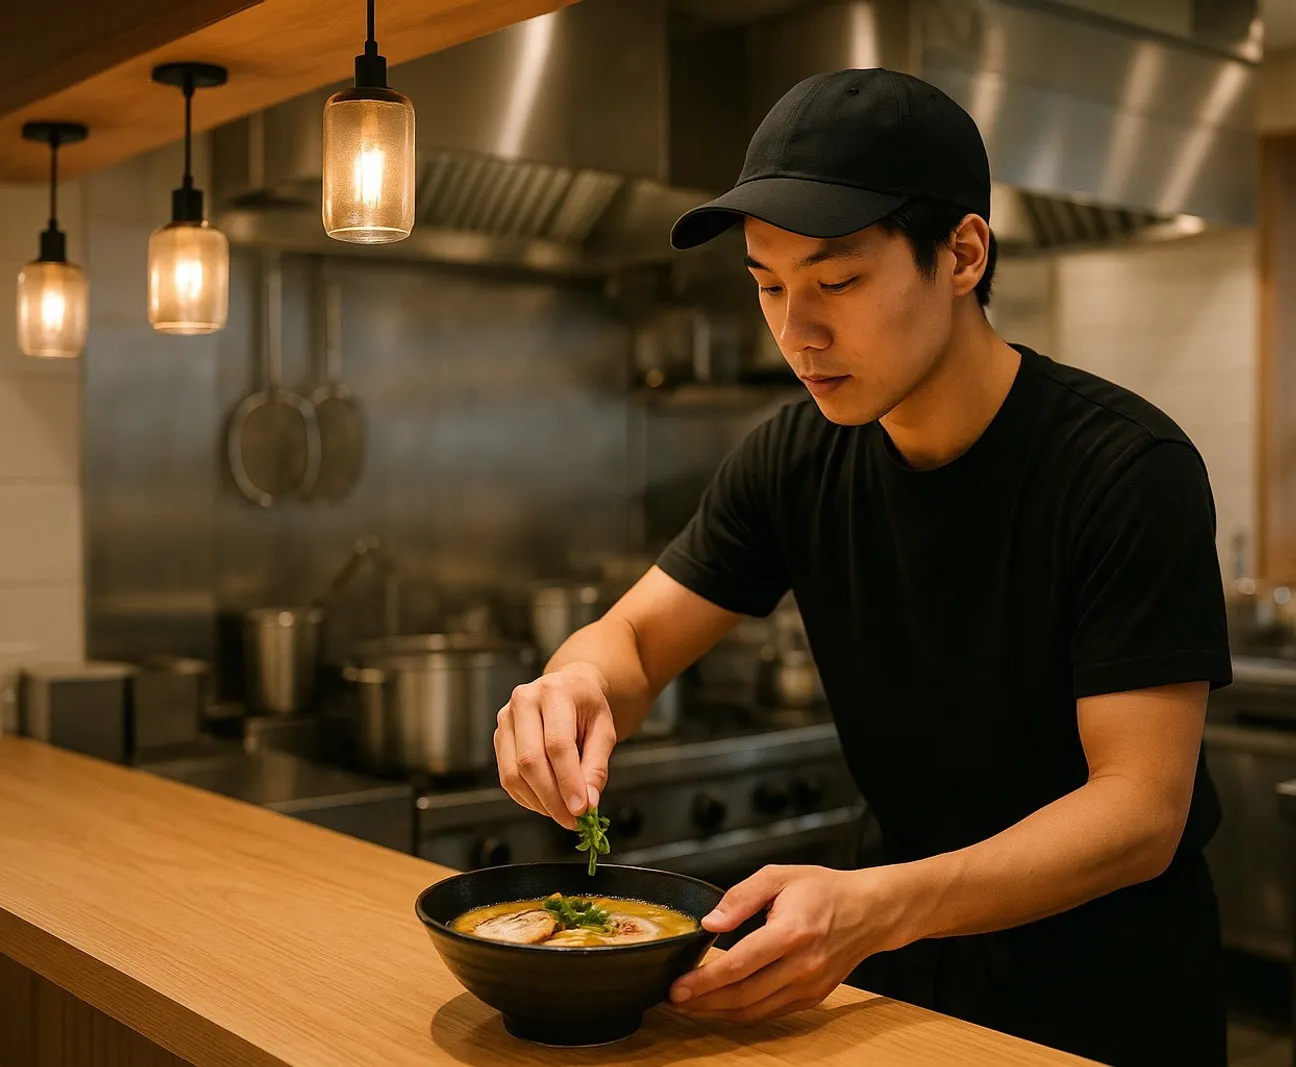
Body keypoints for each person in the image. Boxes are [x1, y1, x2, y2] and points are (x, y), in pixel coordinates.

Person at [493, 67, 1232, 1067]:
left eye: (835, 280)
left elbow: (1140, 809)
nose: (797, 331)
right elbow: (628, 636)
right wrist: (574, 684)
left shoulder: (1122, 468)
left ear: (963, 253)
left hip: (1100, 994)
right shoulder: (793, 456)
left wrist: (881, 905)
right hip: (891, 979)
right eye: (766, 286)